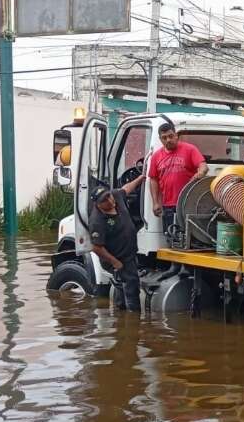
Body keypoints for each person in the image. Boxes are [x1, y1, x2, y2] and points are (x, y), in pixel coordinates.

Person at [89, 176, 145, 311]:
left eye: (109, 196)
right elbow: (96, 247)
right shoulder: (97, 221)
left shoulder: (115, 196)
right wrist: (114, 262)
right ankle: (133, 319)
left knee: (121, 285)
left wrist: (141, 178)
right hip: (118, 258)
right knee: (131, 286)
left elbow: (126, 188)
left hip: (129, 253)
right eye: (105, 200)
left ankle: (120, 316)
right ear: (98, 205)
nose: (110, 200)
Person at [148, 122, 208, 229]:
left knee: (190, 239)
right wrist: (155, 202)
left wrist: (201, 173)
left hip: (189, 203)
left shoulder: (190, 149)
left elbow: (203, 165)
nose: (168, 140)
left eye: (171, 136)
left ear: (176, 135)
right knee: (172, 237)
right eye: (164, 138)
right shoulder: (156, 157)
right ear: (160, 139)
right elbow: (153, 180)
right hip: (168, 206)